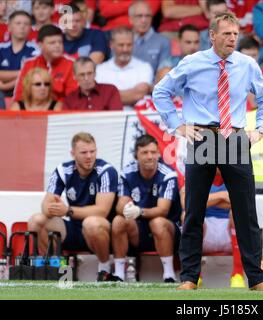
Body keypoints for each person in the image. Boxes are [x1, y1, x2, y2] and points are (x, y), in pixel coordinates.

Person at [153, 12, 263, 291]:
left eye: (236, 34)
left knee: (246, 213)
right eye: (227, 34)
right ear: (212, 35)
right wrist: (177, 126)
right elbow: (161, 91)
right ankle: (188, 278)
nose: (233, 38)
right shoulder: (192, 63)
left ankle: (256, 279)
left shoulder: (246, 65)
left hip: (234, 137)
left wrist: (262, 128)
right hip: (203, 136)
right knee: (194, 211)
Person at [28, 132, 119, 281]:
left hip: (100, 232)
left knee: (92, 223)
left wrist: (67, 211)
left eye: (92, 151)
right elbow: (45, 205)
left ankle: (104, 268)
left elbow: (102, 211)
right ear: (73, 153)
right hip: (74, 228)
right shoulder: (63, 170)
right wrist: (52, 208)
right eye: (84, 152)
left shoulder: (106, 171)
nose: (89, 156)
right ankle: (56, 268)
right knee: (36, 221)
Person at [111, 134, 181, 283]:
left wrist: (139, 211)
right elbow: (120, 204)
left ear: (159, 153)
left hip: (168, 230)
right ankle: (118, 275)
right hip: (139, 231)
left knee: (157, 222)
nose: (150, 157)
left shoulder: (168, 174)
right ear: (136, 154)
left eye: (153, 152)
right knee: (118, 220)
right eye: (144, 153)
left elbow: (163, 210)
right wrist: (126, 207)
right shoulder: (127, 173)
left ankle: (169, 275)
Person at [179, 168, 246, 288]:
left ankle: (237, 275)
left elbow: (240, 202)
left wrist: (202, 200)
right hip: (205, 230)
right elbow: (186, 203)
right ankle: (194, 277)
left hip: (228, 232)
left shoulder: (234, 175)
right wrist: (222, 196)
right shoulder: (196, 174)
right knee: (186, 216)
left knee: (237, 213)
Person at [13, 24, 78, 103]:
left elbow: (72, 99)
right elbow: (19, 96)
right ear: (40, 45)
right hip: (32, 111)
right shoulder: (29, 64)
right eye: (52, 43)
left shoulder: (71, 64)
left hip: (60, 112)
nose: (58, 46)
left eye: (60, 42)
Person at [95, 27, 153, 110]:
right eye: (121, 45)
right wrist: (130, 95)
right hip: (107, 119)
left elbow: (139, 94)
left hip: (136, 119)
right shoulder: (100, 70)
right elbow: (98, 98)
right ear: (111, 45)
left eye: (129, 45)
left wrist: (109, 97)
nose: (125, 49)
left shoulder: (144, 67)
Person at [0, 11, 39, 97]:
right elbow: (26, 73)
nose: (22, 26)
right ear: (9, 27)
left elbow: (32, 75)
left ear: (30, 28)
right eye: (18, 23)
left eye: (26, 24)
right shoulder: (1, 48)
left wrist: (5, 86)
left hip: (25, 91)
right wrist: (22, 72)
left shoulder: (36, 50)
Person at [129, 1, 171, 76]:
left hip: (153, 85)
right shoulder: (123, 41)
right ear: (131, 19)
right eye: (139, 16)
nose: (144, 20)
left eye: (147, 16)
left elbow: (164, 73)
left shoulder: (163, 41)